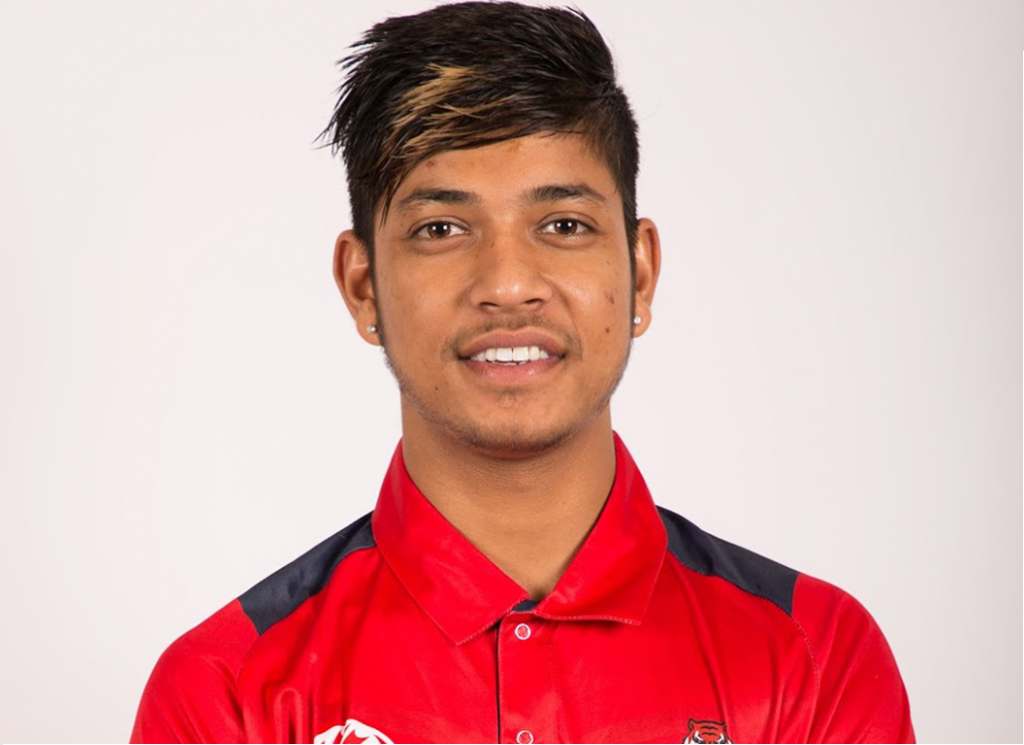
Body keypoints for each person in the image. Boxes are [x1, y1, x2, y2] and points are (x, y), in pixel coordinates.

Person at [131, 3, 914, 743]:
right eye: (442, 227)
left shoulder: (812, 657)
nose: (508, 284)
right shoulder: (227, 693)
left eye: (564, 224)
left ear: (640, 273)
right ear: (363, 286)